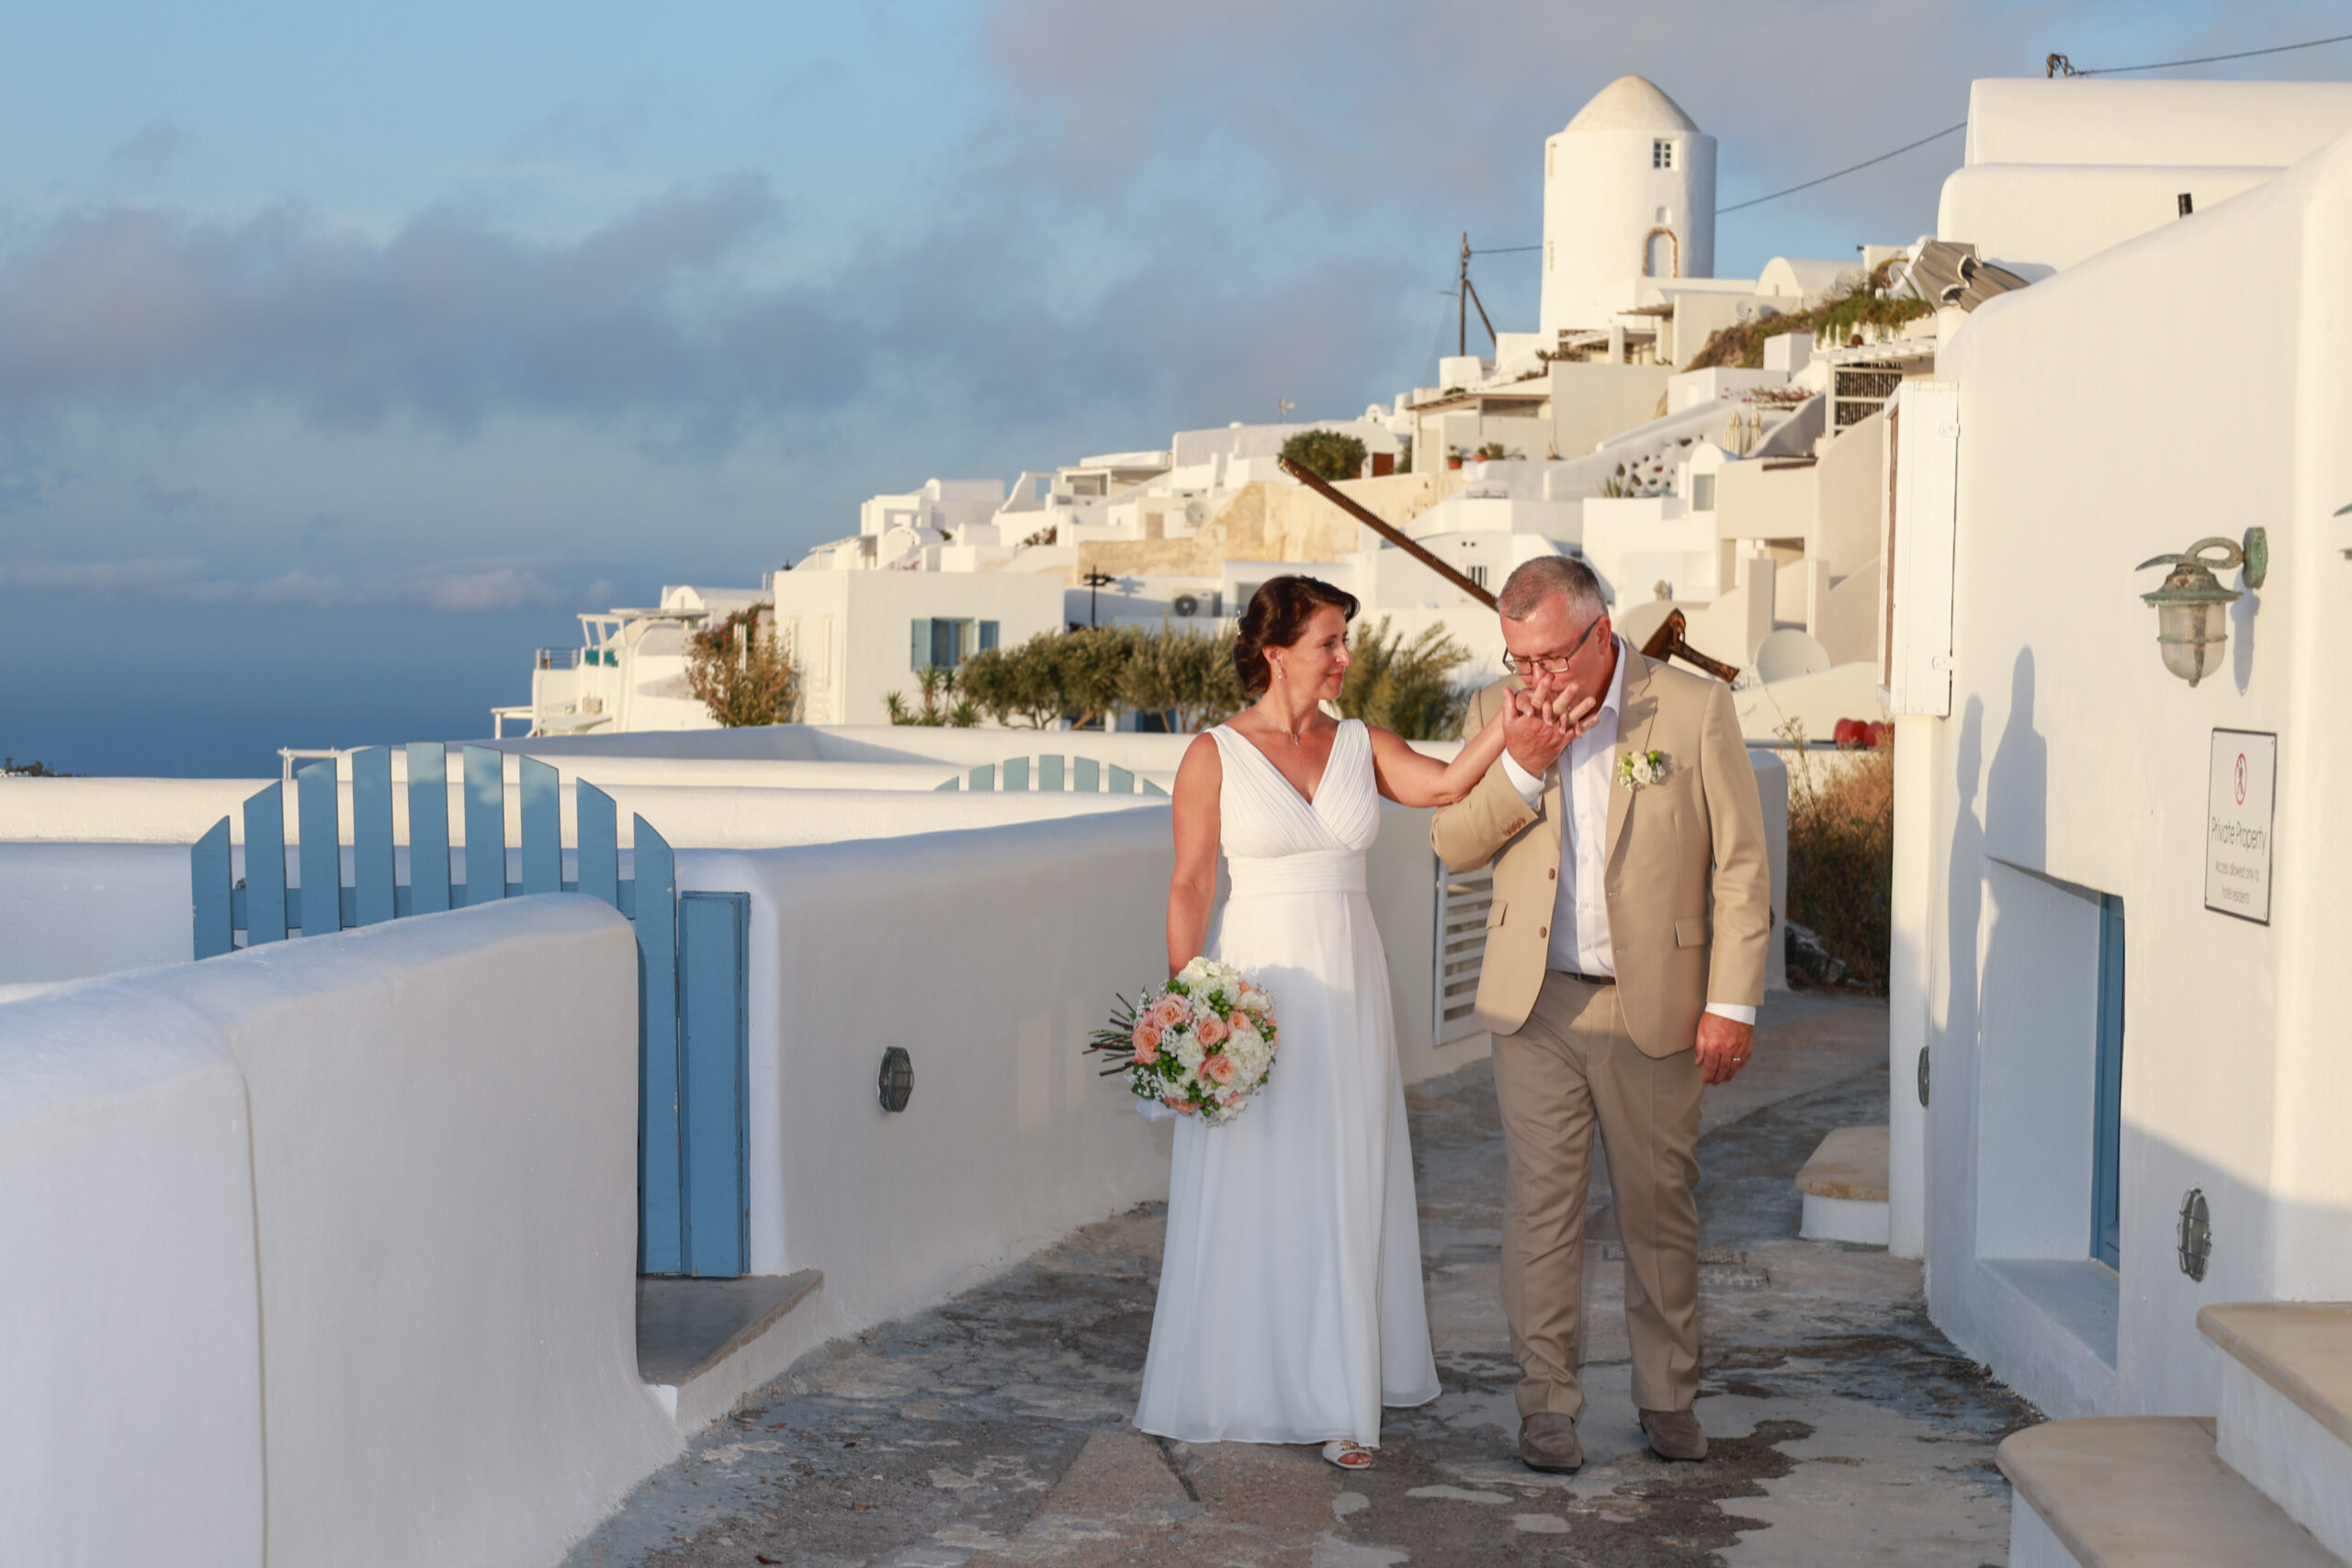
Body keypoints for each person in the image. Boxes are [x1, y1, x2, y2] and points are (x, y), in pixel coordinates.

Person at [1134, 574, 1552, 1471]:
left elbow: (1446, 786)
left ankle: (1339, 1402)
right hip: (1256, 989)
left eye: (1344, 640)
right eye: (1329, 641)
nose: (1344, 657)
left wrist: (1507, 731)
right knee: (1259, 1177)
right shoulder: (1212, 754)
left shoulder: (1361, 743)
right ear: (1276, 652)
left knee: (1342, 1177)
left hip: (1348, 990)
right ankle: (1242, 1382)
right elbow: (1191, 883)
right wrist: (1187, 1007)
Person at [1430, 555, 1770, 1475]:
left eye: (1549, 657)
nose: (1533, 677)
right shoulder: (1497, 712)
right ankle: (1546, 1406)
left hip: (1654, 1004)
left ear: (1600, 632)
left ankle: (1667, 1397)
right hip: (1535, 1001)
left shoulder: (1691, 709)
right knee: (1540, 1210)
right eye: (1518, 659)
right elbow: (1451, 841)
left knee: (1658, 1210)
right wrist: (1522, 765)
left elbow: (1741, 867)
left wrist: (1730, 1001)